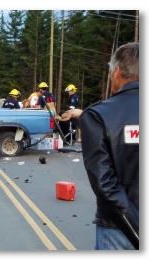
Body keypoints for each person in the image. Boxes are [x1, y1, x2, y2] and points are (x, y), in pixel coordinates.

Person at [61, 42, 139, 250]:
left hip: (119, 229)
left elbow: (106, 186)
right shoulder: (95, 115)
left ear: (117, 71)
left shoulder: (98, 117)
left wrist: (138, 227)